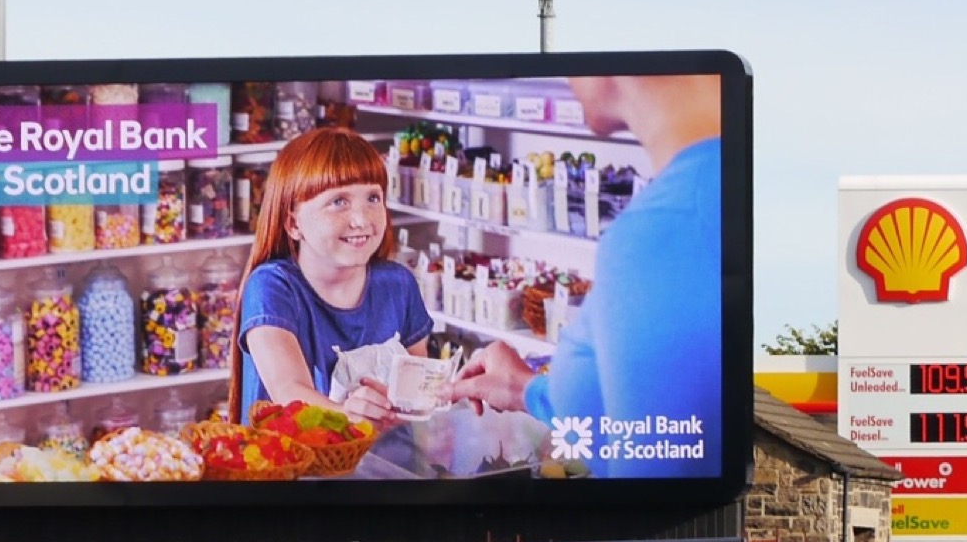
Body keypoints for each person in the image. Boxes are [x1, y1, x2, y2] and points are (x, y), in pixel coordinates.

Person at [445, 74, 722, 478]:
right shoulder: (702, 186)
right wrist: (525, 389)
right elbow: (635, 421)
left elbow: (651, 496)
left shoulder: (661, 229)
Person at [230, 128, 432, 425]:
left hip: (381, 465)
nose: (362, 219)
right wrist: (354, 418)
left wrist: (444, 393)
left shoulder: (399, 284)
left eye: (373, 198)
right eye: (339, 201)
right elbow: (289, 391)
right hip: (291, 466)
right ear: (293, 223)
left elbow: (418, 383)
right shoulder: (272, 286)